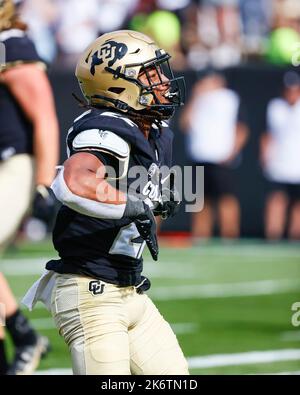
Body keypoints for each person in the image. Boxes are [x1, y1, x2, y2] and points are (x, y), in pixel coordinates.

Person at [24, 30, 189, 375]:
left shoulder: (155, 130)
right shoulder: (109, 128)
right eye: (150, 73)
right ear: (119, 84)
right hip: (90, 293)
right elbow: (73, 183)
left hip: (130, 290)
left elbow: (134, 200)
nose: (162, 82)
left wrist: (156, 198)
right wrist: (135, 204)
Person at [0, 0, 59, 374]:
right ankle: (22, 340)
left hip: (15, 164)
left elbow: (44, 117)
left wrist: (43, 184)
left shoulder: (9, 43)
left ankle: (23, 338)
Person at [181, 71, 249, 239]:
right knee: (198, 201)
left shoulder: (229, 98)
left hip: (220, 158)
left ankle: (230, 237)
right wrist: (195, 98)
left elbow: (242, 128)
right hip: (197, 156)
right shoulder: (197, 99)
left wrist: (232, 152)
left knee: (226, 199)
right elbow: (185, 124)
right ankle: (200, 237)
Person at [260, 71, 300, 240]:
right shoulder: (275, 106)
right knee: (277, 199)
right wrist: (265, 155)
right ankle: (273, 236)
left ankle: (295, 237)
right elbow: (269, 134)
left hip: (297, 164)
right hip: (280, 163)